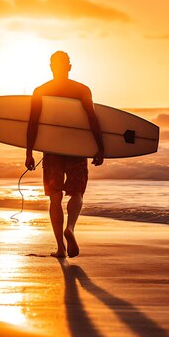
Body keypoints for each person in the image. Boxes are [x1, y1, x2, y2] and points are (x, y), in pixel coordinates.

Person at [25, 51, 104, 258]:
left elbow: (32, 123)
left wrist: (29, 152)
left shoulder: (41, 90)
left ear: (51, 67)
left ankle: (60, 247)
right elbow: (92, 119)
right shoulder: (81, 90)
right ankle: (70, 227)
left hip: (52, 149)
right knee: (77, 192)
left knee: (55, 197)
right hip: (76, 148)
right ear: (69, 67)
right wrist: (100, 148)